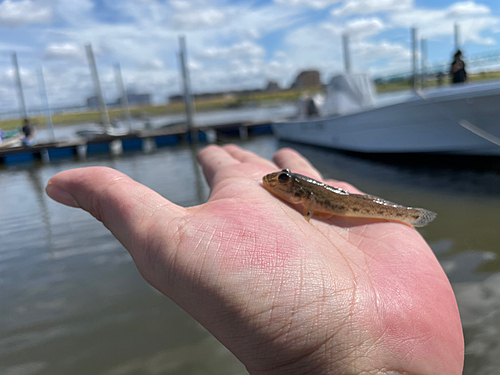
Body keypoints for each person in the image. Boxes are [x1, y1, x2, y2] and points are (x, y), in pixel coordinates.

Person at [45, 145, 464, 374]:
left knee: (378, 207)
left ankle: (407, 215)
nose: (275, 184)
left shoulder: (311, 197)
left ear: (303, 194)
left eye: (282, 182)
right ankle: (409, 216)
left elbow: (316, 201)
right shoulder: (303, 194)